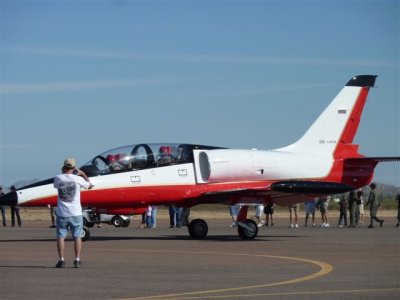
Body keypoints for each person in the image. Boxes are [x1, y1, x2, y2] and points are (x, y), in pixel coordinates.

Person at [53, 157, 93, 268]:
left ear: (63, 166)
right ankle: (77, 260)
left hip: (62, 213)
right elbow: (90, 185)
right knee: (77, 237)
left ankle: (61, 260)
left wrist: (63, 173)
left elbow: (56, 185)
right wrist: (83, 174)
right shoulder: (77, 179)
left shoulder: (58, 178)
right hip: (75, 213)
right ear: (74, 167)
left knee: (61, 237)